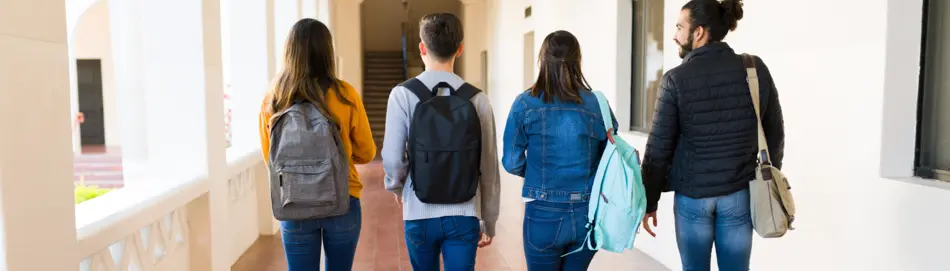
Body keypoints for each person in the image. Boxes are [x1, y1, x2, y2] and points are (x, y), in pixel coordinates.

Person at [639, 1, 785, 270]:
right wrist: (770, 177)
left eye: (680, 27)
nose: (674, 34)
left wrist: (649, 201)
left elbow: (659, 149)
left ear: (698, 32)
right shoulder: (754, 70)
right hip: (738, 195)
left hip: (693, 199)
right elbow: (774, 132)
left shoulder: (675, 80)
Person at [381, 13, 501, 271]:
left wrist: (398, 188)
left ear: (422, 48)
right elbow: (488, 164)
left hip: (418, 211)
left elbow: (392, 158)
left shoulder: (402, 95)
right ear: (460, 49)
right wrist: (489, 219)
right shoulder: (478, 99)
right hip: (465, 212)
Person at [257, 18, 376, 271]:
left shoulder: (273, 100)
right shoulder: (345, 94)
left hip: (293, 202)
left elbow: (271, 158)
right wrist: (335, 157)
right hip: (342, 199)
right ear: (327, 52)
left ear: (289, 52)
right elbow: (367, 152)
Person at [501, 30, 618, 271]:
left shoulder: (525, 103)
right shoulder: (598, 103)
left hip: (543, 214)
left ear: (542, 59)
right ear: (578, 60)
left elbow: (511, 161)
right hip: (588, 213)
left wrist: (538, 172)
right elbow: (609, 157)